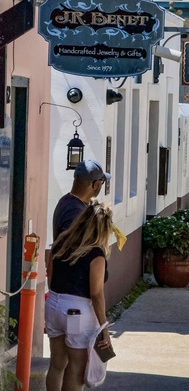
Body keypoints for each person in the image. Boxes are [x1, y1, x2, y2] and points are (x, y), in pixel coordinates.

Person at [45, 200, 113, 391]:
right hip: (78, 311)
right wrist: (104, 327)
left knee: (56, 365)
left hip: (54, 303)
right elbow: (96, 293)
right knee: (76, 369)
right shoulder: (96, 254)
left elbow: (51, 274)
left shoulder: (60, 242)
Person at [52, 160, 110, 242]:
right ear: (95, 185)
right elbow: (73, 249)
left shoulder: (67, 201)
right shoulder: (75, 212)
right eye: (102, 182)